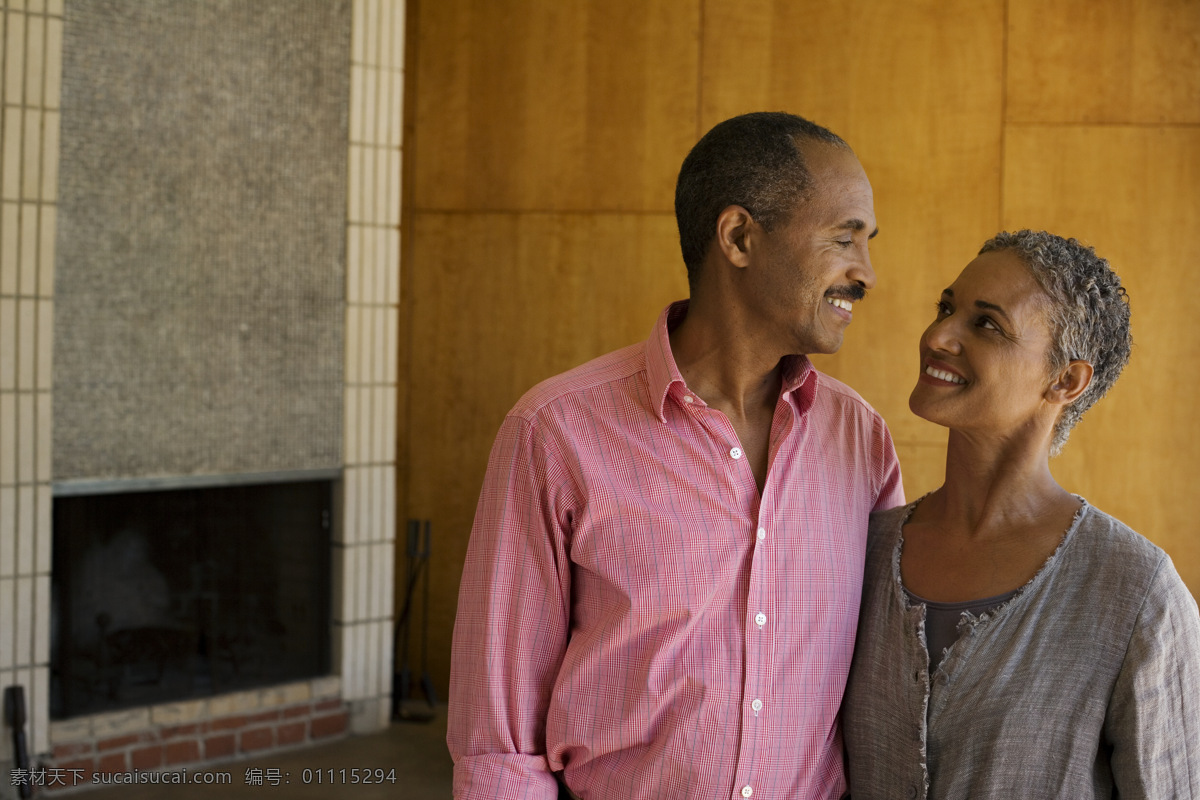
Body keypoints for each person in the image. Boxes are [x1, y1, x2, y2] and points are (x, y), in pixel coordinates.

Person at [447, 111, 905, 799]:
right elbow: (500, 736)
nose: (865, 273)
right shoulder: (555, 431)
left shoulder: (860, 441)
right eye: (845, 239)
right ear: (739, 237)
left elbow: (880, 693)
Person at [843, 230, 1200, 798]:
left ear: (1065, 381)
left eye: (985, 324)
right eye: (945, 308)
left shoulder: (1136, 595)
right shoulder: (857, 551)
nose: (937, 336)